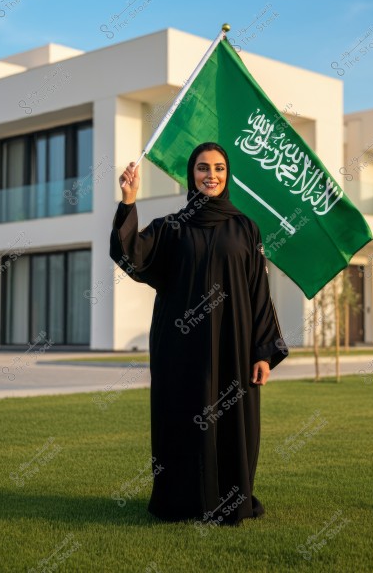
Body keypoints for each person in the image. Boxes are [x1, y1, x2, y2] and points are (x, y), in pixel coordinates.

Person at [109, 141, 288, 526]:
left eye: (219, 168)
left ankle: (230, 500)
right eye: (203, 168)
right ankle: (180, 502)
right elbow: (130, 254)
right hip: (181, 347)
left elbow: (259, 292)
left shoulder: (245, 227)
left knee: (233, 420)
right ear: (192, 174)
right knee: (181, 419)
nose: (211, 175)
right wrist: (129, 201)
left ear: (228, 174)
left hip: (234, 347)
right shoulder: (173, 228)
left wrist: (262, 351)